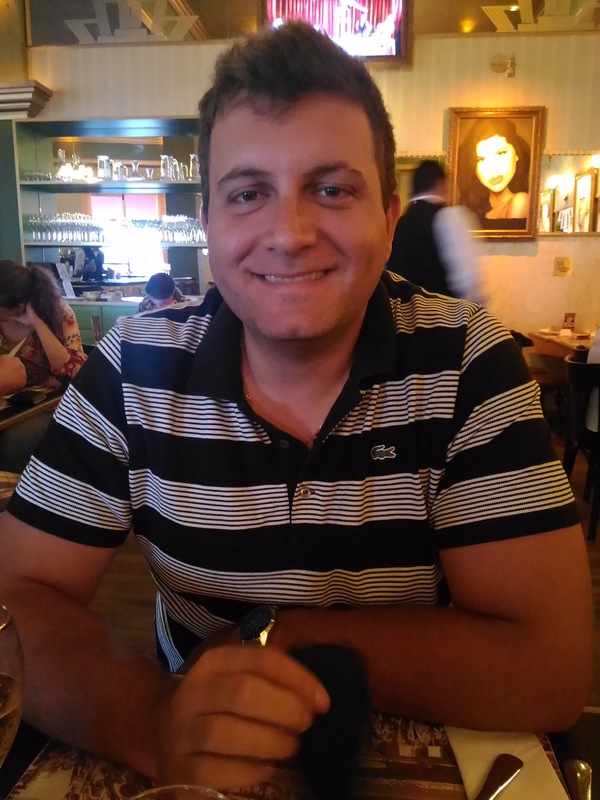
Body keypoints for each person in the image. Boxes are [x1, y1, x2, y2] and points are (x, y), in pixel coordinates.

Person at [0, 21, 592, 794]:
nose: (289, 233)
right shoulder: (134, 367)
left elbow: (549, 667)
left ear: (388, 220)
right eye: (249, 194)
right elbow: (14, 604)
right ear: (209, 223)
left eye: (331, 189)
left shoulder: (465, 360)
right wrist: (153, 718)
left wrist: (279, 639)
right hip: (195, 746)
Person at [0, 261, 86, 471]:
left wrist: (38, 324)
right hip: (7, 405)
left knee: (15, 442)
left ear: (19, 306)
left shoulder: (59, 313)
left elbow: (77, 373)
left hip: (46, 406)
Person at [386, 160, 484, 303]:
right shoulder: (451, 217)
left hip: (401, 315)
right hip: (443, 314)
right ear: (441, 184)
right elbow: (468, 282)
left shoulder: (397, 225)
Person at [456, 117, 531, 230]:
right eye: (481, 159)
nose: (493, 168)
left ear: (517, 154)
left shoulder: (520, 201)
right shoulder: (473, 208)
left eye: (501, 153)